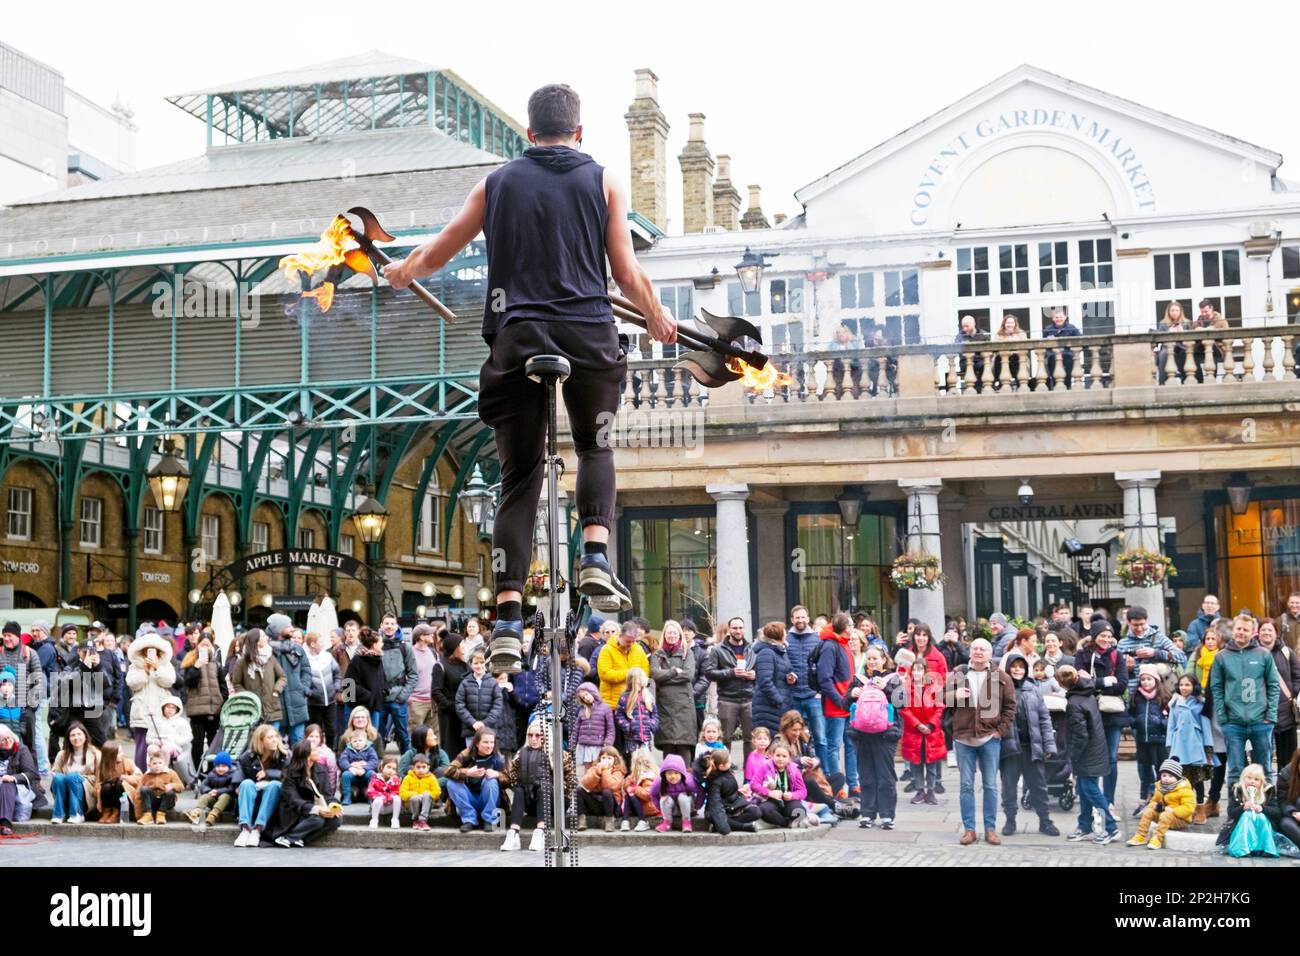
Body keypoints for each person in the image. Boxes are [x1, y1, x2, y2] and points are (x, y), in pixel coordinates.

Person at [385, 84, 676, 673]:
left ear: (528, 132)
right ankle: (595, 550)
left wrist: (401, 270)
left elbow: (436, 254)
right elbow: (625, 270)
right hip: (587, 331)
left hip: (517, 338)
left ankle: (510, 618)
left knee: (518, 479)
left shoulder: (496, 184)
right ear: (579, 131)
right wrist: (656, 313)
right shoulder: (603, 181)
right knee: (595, 443)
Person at [949, 638, 1016, 845]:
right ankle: (969, 829)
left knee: (990, 786)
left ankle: (990, 829)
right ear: (970, 652)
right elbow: (939, 698)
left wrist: (1000, 731)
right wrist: (954, 694)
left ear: (990, 654)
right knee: (966, 786)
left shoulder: (1001, 677)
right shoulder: (958, 673)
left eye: (983, 649)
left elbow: (1010, 707)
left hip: (989, 739)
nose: (978, 652)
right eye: (975, 648)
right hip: (963, 737)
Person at [1211, 613, 1280, 801]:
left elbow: (1273, 685)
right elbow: (1216, 687)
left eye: (1245, 630)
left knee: (1264, 767)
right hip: (1233, 722)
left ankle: (1267, 809)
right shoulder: (1222, 657)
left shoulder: (1263, 655)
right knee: (1234, 769)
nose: (1241, 632)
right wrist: (1223, 717)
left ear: (1253, 632)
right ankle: (1235, 812)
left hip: (1261, 720)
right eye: (1238, 629)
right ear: (1233, 630)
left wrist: (1270, 715)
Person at [1057, 664, 1119, 845]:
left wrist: (1073, 755)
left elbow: (1080, 735)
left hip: (1086, 752)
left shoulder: (1074, 703)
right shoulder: (1087, 691)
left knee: (1090, 789)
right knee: (1085, 790)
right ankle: (1084, 826)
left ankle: (1111, 828)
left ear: (1063, 684)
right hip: (1096, 749)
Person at [999, 653, 1058, 837]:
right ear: (1008, 668)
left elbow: (1044, 719)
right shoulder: (999, 690)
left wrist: (1049, 746)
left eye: (1021, 666)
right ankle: (1010, 820)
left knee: (1038, 786)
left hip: (1032, 747)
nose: (1017, 669)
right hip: (1010, 748)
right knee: (1008, 787)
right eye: (1014, 666)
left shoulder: (1033, 689)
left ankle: (1045, 821)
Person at [1075, 618, 1129, 809]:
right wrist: (1106, 681)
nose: (1106, 639)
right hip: (1089, 712)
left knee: (1111, 758)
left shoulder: (1116, 655)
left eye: (1109, 636)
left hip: (1112, 714)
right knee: (1092, 757)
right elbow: (1079, 683)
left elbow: (1122, 684)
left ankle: (1109, 799)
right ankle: (1093, 797)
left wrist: (1095, 682)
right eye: (1102, 635)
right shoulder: (1082, 655)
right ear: (1094, 636)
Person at [849, 645, 903, 829]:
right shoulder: (858, 680)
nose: (872, 662)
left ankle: (887, 815)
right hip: (861, 735)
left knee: (885, 775)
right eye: (869, 659)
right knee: (866, 775)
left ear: (883, 660)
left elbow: (902, 703)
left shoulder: (893, 679)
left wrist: (886, 688)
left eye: (875, 658)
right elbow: (843, 704)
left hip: (886, 735)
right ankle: (868, 814)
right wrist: (851, 695)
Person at [500, 720, 575, 850]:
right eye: (530, 735)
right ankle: (513, 833)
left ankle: (541, 832)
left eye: (538, 735)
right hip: (531, 800)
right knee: (518, 790)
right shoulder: (520, 754)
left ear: (545, 736)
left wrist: (558, 791)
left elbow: (571, 782)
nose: (534, 739)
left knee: (544, 787)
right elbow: (511, 778)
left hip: (555, 802)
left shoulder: (560, 755)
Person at [269, 738, 344, 848]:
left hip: (314, 810)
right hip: (294, 812)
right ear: (307, 754)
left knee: (336, 820)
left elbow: (328, 795)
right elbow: (293, 799)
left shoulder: (321, 769)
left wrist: (334, 805)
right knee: (317, 819)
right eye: (315, 750)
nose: (319, 751)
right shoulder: (290, 772)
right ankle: (288, 837)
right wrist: (315, 809)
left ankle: (301, 838)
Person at [1166, 674, 1218, 824]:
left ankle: (1200, 809)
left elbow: (1206, 727)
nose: (1184, 687)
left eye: (1187, 684)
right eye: (1181, 685)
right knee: (1181, 779)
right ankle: (1185, 809)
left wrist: (1208, 747)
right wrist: (1169, 745)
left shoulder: (1200, 704)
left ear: (1194, 686)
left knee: (1198, 779)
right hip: (1179, 746)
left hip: (1196, 746)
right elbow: (1171, 725)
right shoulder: (1174, 704)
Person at [706, 616, 757, 762]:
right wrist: (731, 672)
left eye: (740, 627)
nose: (738, 630)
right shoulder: (717, 650)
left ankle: (750, 773)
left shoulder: (752, 649)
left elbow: (759, 670)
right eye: (734, 628)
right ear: (729, 630)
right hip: (727, 699)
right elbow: (709, 673)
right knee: (724, 738)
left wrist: (755, 675)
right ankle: (723, 768)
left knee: (750, 738)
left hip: (748, 698)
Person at [816, 612, 856, 797]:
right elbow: (824, 678)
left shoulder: (843, 643)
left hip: (848, 703)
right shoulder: (830, 646)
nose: (853, 627)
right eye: (851, 625)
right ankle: (838, 786)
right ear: (845, 627)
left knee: (851, 745)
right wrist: (839, 700)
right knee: (834, 746)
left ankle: (853, 784)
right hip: (837, 705)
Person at [126, 631, 177, 768]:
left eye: (154, 650)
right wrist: (145, 671)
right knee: (141, 746)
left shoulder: (166, 665)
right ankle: (140, 775)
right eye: (147, 650)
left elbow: (169, 681)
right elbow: (132, 683)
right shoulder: (135, 665)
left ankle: (160, 773)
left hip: (160, 711)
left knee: (159, 745)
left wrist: (156, 668)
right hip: (141, 710)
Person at [648, 619, 696, 766]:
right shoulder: (657, 654)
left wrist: (666, 676)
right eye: (669, 632)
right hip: (665, 705)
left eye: (675, 632)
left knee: (683, 744)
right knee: (667, 743)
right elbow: (655, 674)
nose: (672, 635)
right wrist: (674, 671)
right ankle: (667, 780)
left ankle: (686, 781)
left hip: (684, 704)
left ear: (679, 635)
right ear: (665, 634)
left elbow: (688, 675)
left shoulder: (687, 653)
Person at [784, 605, 826, 769]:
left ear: (808, 619)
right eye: (797, 618)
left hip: (813, 696)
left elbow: (824, 666)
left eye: (803, 617)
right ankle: (795, 771)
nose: (800, 620)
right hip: (793, 695)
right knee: (792, 736)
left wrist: (820, 691)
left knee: (820, 737)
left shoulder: (817, 639)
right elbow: (783, 664)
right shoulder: (786, 639)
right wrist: (786, 676)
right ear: (792, 620)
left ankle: (824, 772)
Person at [900, 656, 946, 806]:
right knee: (916, 764)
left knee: (931, 764)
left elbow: (939, 707)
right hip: (914, 732)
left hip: (931, 732)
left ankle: (931, 791)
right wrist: (917, 724)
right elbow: (905, 709)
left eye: (920, 670)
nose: (917, 673)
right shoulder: (907, 687)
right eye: (914, 669)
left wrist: (931, 725)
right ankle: (920, 790)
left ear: (926, 671)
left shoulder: (934, 687)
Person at [233, 724, 288, 847]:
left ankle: (257, 829)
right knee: (246, 783)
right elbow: (238, 775)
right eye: (270, 737)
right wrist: (237, 786)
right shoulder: (248, 757)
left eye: (276, 736)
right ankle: (245, 829)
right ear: (261, 741)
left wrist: (268, 774)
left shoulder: (284, 756)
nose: (275, 740)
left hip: (271, 802)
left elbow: (288, 776)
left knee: (274, 785)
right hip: (251, 799)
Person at [1257, 618, 1300, 772]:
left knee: (1288, 760)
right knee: (1262, 760)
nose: (1266, 633)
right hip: (1259, 713)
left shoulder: (1286, 652)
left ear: (1276, 633)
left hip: (1285, 712)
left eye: (1270, 630)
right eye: (1263, 630)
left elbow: (1298, 675)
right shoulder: (1251, 653)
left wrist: (1291, 692)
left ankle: (1287, 793)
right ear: (1258, 633)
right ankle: (1266, 793)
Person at [444, 726, 505, 832]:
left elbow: (511, 779)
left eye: (492, 742)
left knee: (491, 781)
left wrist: (497, 774)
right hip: (469, 799)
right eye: (486, 742)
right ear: (477, 743)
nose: (489, 746)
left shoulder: (497, 758)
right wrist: (467, 772)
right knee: (451, 783)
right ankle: (469, 820)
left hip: (488, 800)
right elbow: (447, 771)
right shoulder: (466, 754)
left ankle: (488, 820)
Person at [1128, 664, 1171, 815]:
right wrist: (1135, 722)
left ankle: (1163, 800)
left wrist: (1161, 723)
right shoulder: (1137, 696)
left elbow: (1171, 718)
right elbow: (1131, 713)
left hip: (1159, 740)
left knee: (1161, 771)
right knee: (1145, 772)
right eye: (1143, 679)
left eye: (1149, 679)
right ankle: (1144, 799)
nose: (1146, 682)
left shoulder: (1163, 696)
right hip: (1142, 740)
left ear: (1156, 680)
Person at [180, 632, 226, 768]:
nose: (206, 647)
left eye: (208, 644)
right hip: (197, 711)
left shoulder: (217, 663)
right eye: (203, 644)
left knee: (214, 745)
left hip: (214, 710)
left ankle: (212, 773)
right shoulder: (190, 660)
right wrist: (196, 666)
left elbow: (222, 684)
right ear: (197, 645)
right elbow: (188, 682)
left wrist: (222, 700)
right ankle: (196, 772)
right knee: (197, 745)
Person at [1127, 758, 1195, 850]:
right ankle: (1141, 835)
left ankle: (1157, 839)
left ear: (1177, 777)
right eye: (1164, 775)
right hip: (1164, 814)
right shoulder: (1160, 787)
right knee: (1148, 812)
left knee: (1165, 815)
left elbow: (1189, 808)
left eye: (1170, 776)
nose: (1166, 778)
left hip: (1180, 819)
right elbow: (1153, 801)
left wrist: (1174, 811)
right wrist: (1155, 805)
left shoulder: (1184, 790)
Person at [228, 628, 287, 731]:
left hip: (272, 708)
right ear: (256, 641)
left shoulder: (270, 657)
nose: (266, 638)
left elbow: (282, 676)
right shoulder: (242, 661)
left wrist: (276, 691)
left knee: (272, 742)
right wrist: (248, 697)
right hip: (253, 710)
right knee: (257, 744)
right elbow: (236, 683)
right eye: (263, 636)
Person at [376, 612, 418, 754]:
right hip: (379, 698)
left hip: (398, 697)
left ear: (396, 626)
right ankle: (378, 767)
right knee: (377, 736)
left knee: (404, 736)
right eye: (386, 623)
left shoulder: (405, 648)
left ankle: (407, 767)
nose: (389, 626)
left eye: (392, 624)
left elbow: (413, 675)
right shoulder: (374, 646)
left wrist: (403, 695)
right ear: (381, 625)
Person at [49, 721, 100, 825]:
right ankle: (59, 815)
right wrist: (65, 778)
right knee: (59, 778)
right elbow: (55, 773)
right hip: (66, 788)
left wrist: (77, 777)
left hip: (87, 789)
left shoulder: (95, 753)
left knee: (72, 776)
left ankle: (77, 813)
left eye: (79, 734)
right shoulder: (62, 754)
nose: (76, 737)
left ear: (85, 736)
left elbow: (100, 776)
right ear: (68, 738)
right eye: (72, 735)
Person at [597, 620, 651, 718]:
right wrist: (630, 674)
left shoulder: (638, 649)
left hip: (634, 703)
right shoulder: (606, 650)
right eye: (627, 641)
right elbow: (605, 674)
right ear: (620, 636)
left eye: (633, 641)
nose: (630, 644)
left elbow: (645, 672)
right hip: (613, 704)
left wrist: (642, 681)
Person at [752, 620, 794, 737]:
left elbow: (781, 672)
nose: (786, 634)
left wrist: (790, 677)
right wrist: (779, 701)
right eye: (784, 632)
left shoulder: (780, 651)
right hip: (769, 707)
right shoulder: (767, 652)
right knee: (769, 744)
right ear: (778, 635)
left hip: (779, 706)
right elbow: (765, 681)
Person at [454, 649, 503, 750]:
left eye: (482, 662)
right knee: (472, 758)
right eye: (476, 663)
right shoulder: (465, 683)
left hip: (489, 730)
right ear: (471, 665)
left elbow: (498, 705)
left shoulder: (493, 682)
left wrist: (485, 723)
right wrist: (473, 722)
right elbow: (459, 705)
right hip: (470, 730)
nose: (479, 666)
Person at [702, 748, 759, 834]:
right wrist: (723, 827)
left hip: (733, 805)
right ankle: (743, 827)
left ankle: (716, 826)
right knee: (717, 820)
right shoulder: (715, 782)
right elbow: (715, 804)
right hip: (720, 810)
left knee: (756, 812)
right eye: (729, 762)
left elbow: (728, 791)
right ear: (721, 766)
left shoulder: (727, 771)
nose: (731, 764)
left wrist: (739, 792)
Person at [753, 742, 809, 828]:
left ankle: (780, 820)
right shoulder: (764, 767)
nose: (781, 759)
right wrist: (769, 793)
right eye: (778, 755)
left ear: (789, 758)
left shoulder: (794, 770)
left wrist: (792, 795)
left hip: (789, 801)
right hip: (771, 800)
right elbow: (753, 784)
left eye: (784, 756)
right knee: (764, 810)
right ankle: (786, 822)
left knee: (799, 811)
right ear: (772, 755)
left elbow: (803, 791)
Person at [303, 631, 340, 748]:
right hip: (313, 703)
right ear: (313, 644)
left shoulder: (327, 656)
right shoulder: (305, 659)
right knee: (315, 731)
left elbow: (338, 674)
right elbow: (302, 680)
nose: (323, 643)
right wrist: (310, 693)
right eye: (320, 641)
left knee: (332, 730)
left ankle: (330, 752)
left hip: (330, 701)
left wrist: (336, 687)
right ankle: (315, 752)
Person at [615, 667, 658, 768]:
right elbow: (619, 715)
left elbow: (654, 713)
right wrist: (628, 726)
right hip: (632, 738)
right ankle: (635, 782)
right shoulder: (625, 697)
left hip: (646, 737)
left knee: (647, 761)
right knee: (635, 762)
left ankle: (645, 782)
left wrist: (652, 725)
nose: (645, 679)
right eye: (642, 677)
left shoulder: (648, 696)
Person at [577, 745, 625, 832]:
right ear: (599, 759)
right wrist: (598, 770)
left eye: (609, 758)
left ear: (615, 760)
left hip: (611, 807)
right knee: (579, 790)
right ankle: (581, 820)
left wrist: (606, 770)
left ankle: (609, 822)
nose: (605, 761)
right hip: (596, 804)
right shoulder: (595, 769)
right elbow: (586, 784)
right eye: (603, 758)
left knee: (607, 792)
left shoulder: (618, 772)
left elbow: (610, 786)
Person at [135, 744, 184, 825]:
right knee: (143, 789)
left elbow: (181, 787)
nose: (157, 766)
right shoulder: (146, 775)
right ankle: (148, 815)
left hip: (166, 800)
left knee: (170, 793)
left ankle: (161, 814)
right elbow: (137, 794)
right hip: (152, 801)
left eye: (160, 763)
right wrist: (138, 814)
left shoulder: (170, 773)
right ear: (149, 765)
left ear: (164, 764)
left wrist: (172, 785)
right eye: (154, 763)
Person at [649, 752, 698, 832]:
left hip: (688, 807)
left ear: (681, 773)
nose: (673, 776)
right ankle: (667, 823)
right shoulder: (659, 781)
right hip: (672, 809)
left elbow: (701, 792)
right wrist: (660, 807)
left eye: (676, 773)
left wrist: (697, 806)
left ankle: (686, 822)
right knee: (664, 798)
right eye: (669, 773)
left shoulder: (688, 780)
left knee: (683, 797)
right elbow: (653, 794)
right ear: (664, 774)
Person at [187, 750, 237, 828]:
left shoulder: (232, 775)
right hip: (214, 800)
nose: (220, 769)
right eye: (218, 766)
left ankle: (213, 815)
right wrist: (209, 791)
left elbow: (231, 788)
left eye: (223, 766)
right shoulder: (211, 774)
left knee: (225, 796)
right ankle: (196, 812)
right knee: (205, 796)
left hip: (228, 803)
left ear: (229, 767)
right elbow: (203, 785)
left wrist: (217, 791)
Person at [572, 681, 615, 772]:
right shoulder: (582, 711)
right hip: (584, 745)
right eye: (583, 697)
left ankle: (598, 786)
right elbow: (576, 729)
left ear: (593, 692)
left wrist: (608, 741)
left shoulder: (606, 708)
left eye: (587, 694)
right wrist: (572, 743)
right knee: (587, 770)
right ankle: (587, 786)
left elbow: (610, 729)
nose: (586, 698)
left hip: (598, 745)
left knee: (599, 768)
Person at [94, 739, 139, 825]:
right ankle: (107, 812)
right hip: (110, 796)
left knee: (119, 784)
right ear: (110, 756)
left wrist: (126, 778)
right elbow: (96, 784)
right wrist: (101, 786)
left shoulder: (128, 762)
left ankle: (116, 812)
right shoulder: (103, 766)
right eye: (119, 752)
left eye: (122, 751)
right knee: (106, 786)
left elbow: (139, 778)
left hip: (125, 797)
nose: (123, 754)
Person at [406, 623, 438, 740]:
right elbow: (404, 676)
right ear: (421, 637)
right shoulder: (410, 653)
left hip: (433, 702)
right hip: (416, 702)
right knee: (416, 737)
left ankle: (433, 759)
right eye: (429, 633)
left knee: (434, 737)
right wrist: (408, 696)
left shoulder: (433, 652)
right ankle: (416, 758)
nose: (433, 635)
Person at [401, 751, 443, 833]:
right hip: (412, 806)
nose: (421, 770)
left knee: (427, 795)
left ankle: (423, 821)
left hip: (426, 804)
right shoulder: (408, 778)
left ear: (428, 768)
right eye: (418, 767)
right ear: (413, 768)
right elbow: (402, 793)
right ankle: (415, 820)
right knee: (415, 798)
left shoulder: (431, 778)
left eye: (424, 767)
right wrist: (415, 794)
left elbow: (437, 792)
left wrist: (425, 795)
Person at [338, 726, 380, 805]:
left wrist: (364, 768)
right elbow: (342, 760)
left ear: (366, 741)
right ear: (350, 742)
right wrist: (350, 768)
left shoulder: (370, 750)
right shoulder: (348, 750)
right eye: (355, 741)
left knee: (372, 774)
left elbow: (374, 761)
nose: (357, 743)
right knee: (345, 775)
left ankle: (371, 797)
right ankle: (347, 797)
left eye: (360, 740)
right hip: (353, 773)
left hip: (365, 773)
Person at [1042, 306, 1080, 389]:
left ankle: (1068, 386)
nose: (1059, 319)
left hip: (1068, 355)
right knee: (1053, 372)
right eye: (1056, 317)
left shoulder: (1072, 328)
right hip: (1052, 356)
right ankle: (1056, 387)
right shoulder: (1048, 329)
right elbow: (1044, 344)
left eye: (1061, 317)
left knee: (1068, 372)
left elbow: (1080, 340)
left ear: (1065, 317)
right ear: (1053, 318)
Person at [1156, 301, 1190, 384]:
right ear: (1168, 312)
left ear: (1180, 311)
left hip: (1182, 347)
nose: (1174, 313)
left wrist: (1182, 331)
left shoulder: (1186, 322)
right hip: (1167, 347)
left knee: (1188, 355)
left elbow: (1189, 340)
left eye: (1177, 310)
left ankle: (1186, 380)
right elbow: (1160, 339)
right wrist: (1169, 331)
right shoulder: (1163, 323)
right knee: (1163, 355)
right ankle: (1162, 382)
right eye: (1172, 310)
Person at [953, 314, 989, 392]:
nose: (964, 329)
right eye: (963, 326)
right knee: (969, 365)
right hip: (965, 361)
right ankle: (975, 389)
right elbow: (956, 349)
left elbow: (988, 349)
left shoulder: (983, 334)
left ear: (974, 324)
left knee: (984, 365)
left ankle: (977, 388)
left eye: (967, 326)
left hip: (980, 361)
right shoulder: (959, 336)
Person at [992, 312, 1028, 388]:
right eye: (1008, 323)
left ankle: (1020, 383)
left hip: (1016, 359)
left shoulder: (1021, 334)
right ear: (1004, 324)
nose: (1010, 325)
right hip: (1002, 358)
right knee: (999, 358)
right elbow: (994, 347)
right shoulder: (999, 334)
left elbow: (1024, 347)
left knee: (1015, 357)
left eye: (1012, 323)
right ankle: (1000, 383)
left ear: (1015, 324)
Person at [367, 755, 403, 829]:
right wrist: (383, 797)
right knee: (378, 799)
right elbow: (371, 792)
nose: (391, 770)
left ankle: (395, 819)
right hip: (378, 806)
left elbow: (397, 792)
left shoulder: (396, 780)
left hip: (390, 806)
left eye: (394, 769)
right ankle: (374, 820)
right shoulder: (375, 778)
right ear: (382, 767)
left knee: (397, 798)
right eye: (388, 767)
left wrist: (388, 797)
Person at [1186, 594, 1221, 658]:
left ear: (1218, 606)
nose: (1209, 605)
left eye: (1212, 603)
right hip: (1200, 657)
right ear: (1202, 606)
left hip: (1220, 657)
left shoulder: (1222, 623)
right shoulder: (1194, 624)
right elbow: (1193, 643)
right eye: (1207, 603)